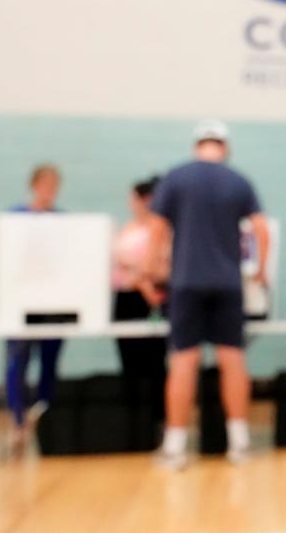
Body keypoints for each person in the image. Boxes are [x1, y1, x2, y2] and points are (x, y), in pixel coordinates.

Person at [147, 120, 269, 468]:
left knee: (184, 361)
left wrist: (153, 267)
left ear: (196, 145)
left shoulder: (176, 177)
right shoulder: (238, 181)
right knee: (233, 361)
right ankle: (239, 443)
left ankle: (174, 447)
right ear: (225, 147)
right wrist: (260, 270)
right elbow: (261, 230)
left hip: (186, 282)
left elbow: (156, 227)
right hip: (229, 284)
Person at [5, 163, 65, 453]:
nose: (50, 191)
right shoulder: (16, 219)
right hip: (21, 301)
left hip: (52, 302)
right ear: (34, 185)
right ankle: (17, 419)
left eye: (54, 186)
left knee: (50, 362)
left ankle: (41, 415)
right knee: (18, 361)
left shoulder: (62, 222)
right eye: (46, 185)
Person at [112, 176, 169, 398]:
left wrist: (144, 281)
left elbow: (159, 265)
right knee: (129, 360)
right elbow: (120, 263)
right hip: (125, 298)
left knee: (154, 360)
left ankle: (157, 417)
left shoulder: (161, 229)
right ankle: (134, 419)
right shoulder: (128, 228)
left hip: (151, 298)